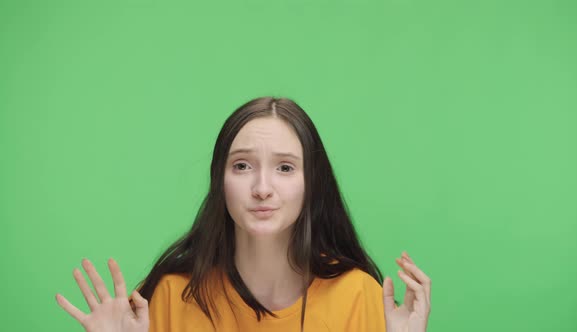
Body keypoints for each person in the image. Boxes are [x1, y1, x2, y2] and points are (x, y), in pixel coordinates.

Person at [56, 96, 432, 332]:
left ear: (312, 183)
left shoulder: (359, 296)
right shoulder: (168, 298)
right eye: (242, 166)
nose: (262, 187)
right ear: (220, 180)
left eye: (285, 168)